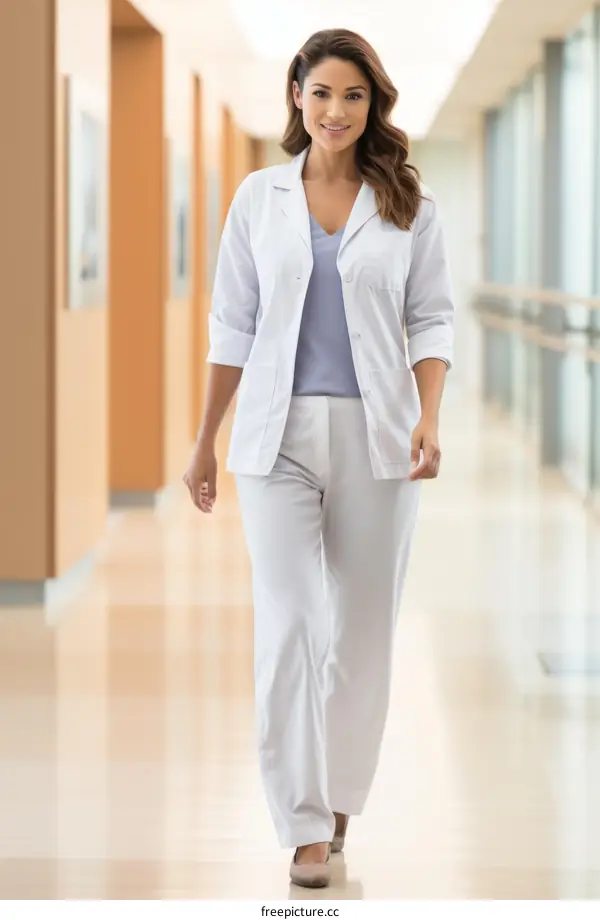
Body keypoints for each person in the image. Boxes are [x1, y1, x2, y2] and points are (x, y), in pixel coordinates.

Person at [183, 28, 454, 889]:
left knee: (362, 636)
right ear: (296, 95)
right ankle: (301, 820)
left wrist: (430, 418)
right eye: (323, 92)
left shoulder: (409, 204)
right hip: (274, 439)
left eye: (355, 96)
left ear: (372, 106)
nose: (337, 110)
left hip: (378, 440)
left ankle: (340, 799)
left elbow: (433, 319)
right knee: (294, 624)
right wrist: (203, 439)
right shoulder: (258, 199)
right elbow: (232, 325)